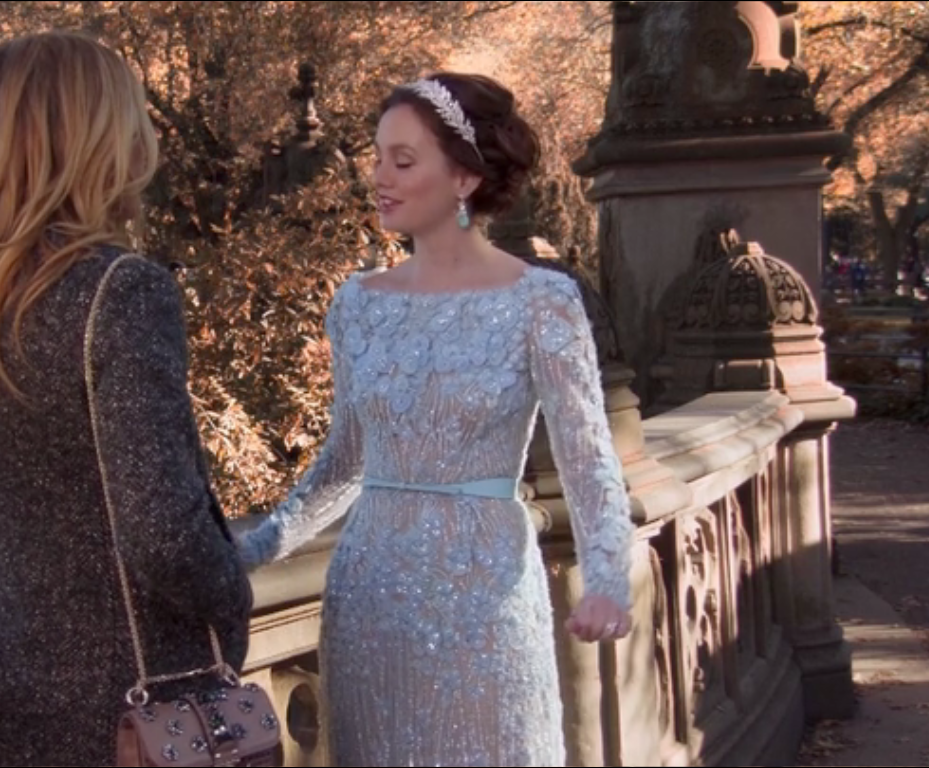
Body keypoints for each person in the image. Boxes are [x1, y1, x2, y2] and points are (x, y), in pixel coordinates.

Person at [235, 72, 636, 765]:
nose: (379, 178)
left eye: (403, 160)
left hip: (488, 592)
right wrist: (255, 545)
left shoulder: (543, 302)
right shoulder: (356, 305)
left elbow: (589, 459)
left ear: (465, 178)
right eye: (377, 158)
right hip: (369, 596)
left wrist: (606, 581)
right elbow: (346, 462)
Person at [0, 32, 253, 767]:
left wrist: (46, 562)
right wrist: (233, 593)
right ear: (105, 140)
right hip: (133, 717)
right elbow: (164, 534)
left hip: (0, 699)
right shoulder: (123, 291)